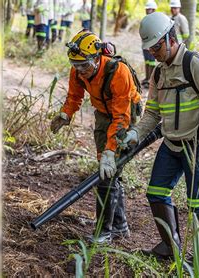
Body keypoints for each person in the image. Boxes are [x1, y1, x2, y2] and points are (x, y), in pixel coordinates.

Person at [120, 12, 199, 271]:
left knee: (197, 203)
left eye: (156, 47)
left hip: (198, 143)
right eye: (150, 49)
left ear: (170, 38)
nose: (153, 53)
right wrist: (136, 133)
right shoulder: (158, 74)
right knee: (156, 193)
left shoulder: (196, 65)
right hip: (171, 144)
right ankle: (170, 246)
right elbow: (152, 114)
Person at [50, 30, 141, 243]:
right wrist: (66, 114)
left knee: (108, 170)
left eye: (84, 66)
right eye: (76, 65)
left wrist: (111, 150)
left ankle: (104, 232)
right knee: (109, 171)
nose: (80, 70)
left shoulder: (118, 72)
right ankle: (119, 226)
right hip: (103, 113)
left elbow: (121, 117)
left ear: (97, 58)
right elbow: (74, 95)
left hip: (125, 115)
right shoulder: (78, 69)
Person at [141, 1, 157, 89]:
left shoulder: (155, 20)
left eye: (149, 9)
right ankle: (147, 78)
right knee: (147, 62)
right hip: (145, 45)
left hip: (152, 45)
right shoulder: (145, 19)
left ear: (153, 10)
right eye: (147, 9)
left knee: (152, 63)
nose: (147, 11)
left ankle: (151, 80)